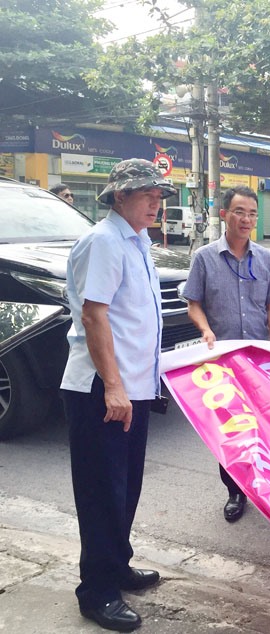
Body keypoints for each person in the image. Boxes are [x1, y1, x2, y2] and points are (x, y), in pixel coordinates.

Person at [60, 159, 176, 631]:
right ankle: (97, 591)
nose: (155, 202)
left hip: (133, 388)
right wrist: (112, 385)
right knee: (101, 493)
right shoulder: (105, 241)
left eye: (158, 195)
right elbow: (94, 316)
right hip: (102, 388)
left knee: (124, 487)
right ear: (120, 196)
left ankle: (116, 564)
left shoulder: (138, 241)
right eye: (146, 194)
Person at [182, 184, 270, 523]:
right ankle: (235, 492)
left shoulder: (267, 260)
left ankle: (268, 486)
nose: (246, 219)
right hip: (222, 363)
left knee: (264, 427)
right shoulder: (204, 258)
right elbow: (194, 304)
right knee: (230, 431)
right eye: (240, 212)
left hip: (259, 361)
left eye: (252, 214)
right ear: (224, 214)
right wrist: (205, 330)